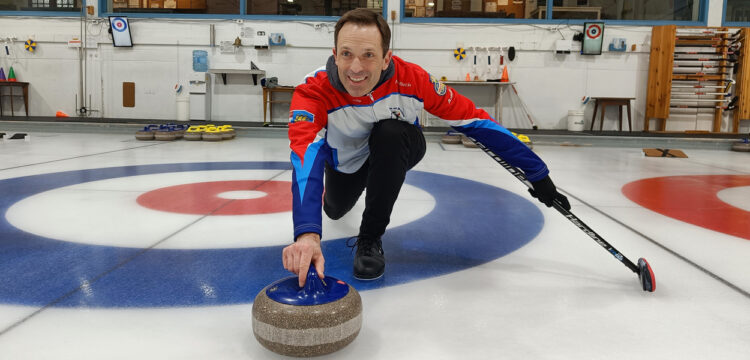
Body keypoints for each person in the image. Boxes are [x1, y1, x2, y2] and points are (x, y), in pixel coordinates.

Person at [282, 9, 570, 287]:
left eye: (368, 55)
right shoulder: (313, 91)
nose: (356, 68)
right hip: (346, 161)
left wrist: (537, 173)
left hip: (396, 146)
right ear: (335, 55)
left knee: (390, 133)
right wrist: (308, 233)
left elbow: (475, 121)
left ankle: (370, 240)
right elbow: (305, 155)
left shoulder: (412, 80)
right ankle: (359, 187)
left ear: (386, 59)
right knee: (334, 210)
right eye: (347, 54)